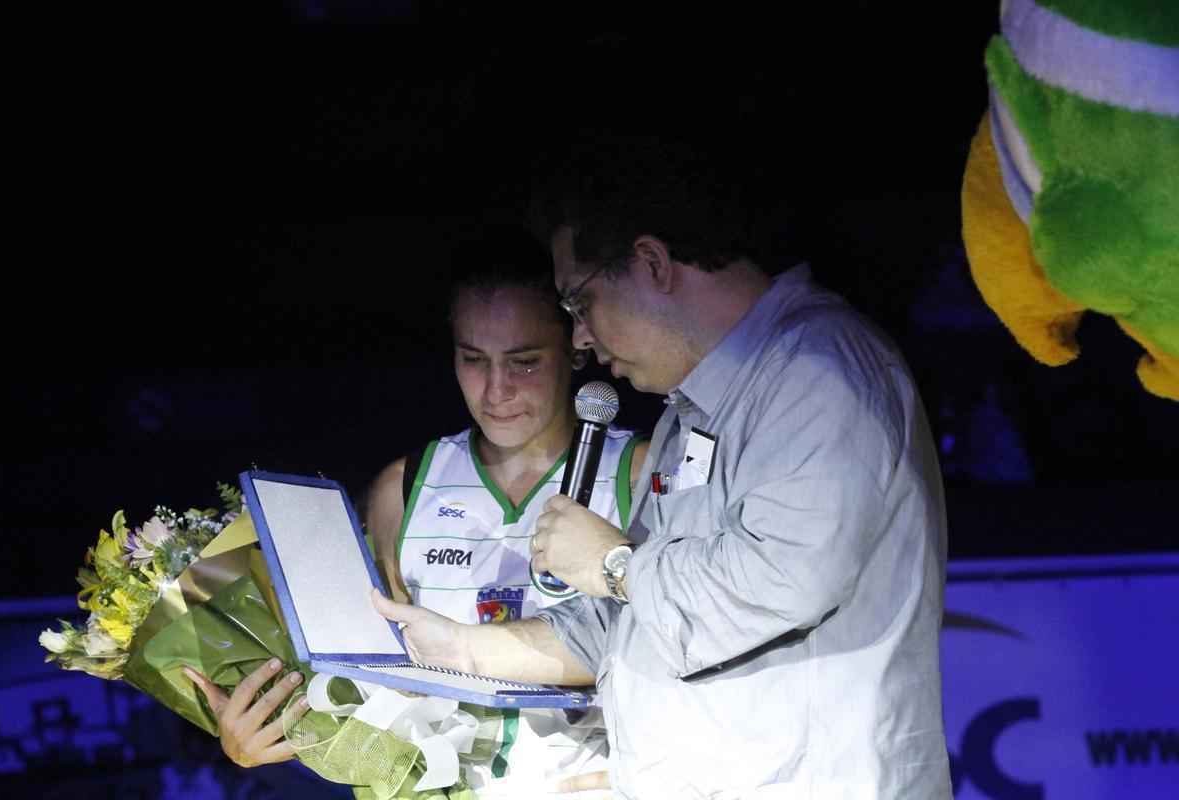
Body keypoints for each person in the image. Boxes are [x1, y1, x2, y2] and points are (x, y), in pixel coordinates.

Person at [372, 135, 953, 799]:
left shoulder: (818, 372)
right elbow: (631, 619)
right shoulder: (696, 405)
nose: (581, 334)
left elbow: (778, 581)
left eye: (579, 302)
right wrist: (459, 648)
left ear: (651, 263)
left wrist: (615, 564)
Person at [186, 225, 649, 796]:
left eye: (525, 361)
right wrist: (269, 731)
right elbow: (373, 687)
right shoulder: (403, 488)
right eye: (473, 359)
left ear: (576, 345)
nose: (496, 390)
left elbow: (685, 641)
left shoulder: (639, 471)